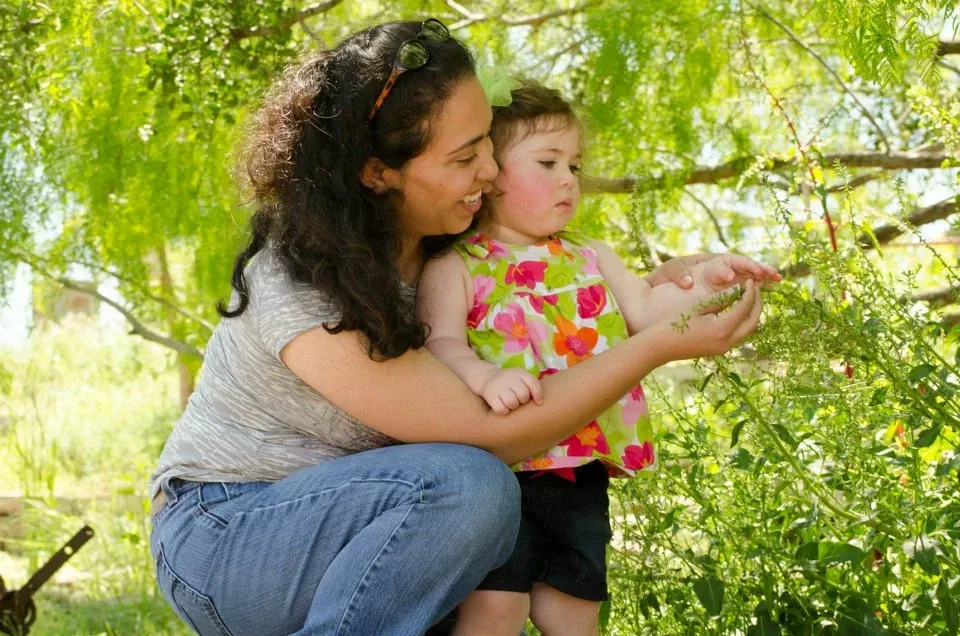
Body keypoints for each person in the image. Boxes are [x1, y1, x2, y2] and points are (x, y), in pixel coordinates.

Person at [148, 19, 771, 636]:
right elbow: (487, 435)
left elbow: (546, 300)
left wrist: (668, 286)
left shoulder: (455, 252)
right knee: (471, 487)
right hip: (228, 535)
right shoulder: (300, 282)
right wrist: (657, 345)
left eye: (491, 147)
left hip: (378, 527)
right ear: (377, 171)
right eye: (466, 155)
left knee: (479, 534)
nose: (491, 172)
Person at [415, 79, 780, 636]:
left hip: (579, 473)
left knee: (575, 609)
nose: (568, 179)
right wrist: (483, 375)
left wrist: (709, 277)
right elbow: (441, 344)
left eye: (574, 167)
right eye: (547, 162)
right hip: (497, 473)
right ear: (488, 177)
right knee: (495, 610)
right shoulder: (457, 265)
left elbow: (649, 309)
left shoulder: (591, 255)